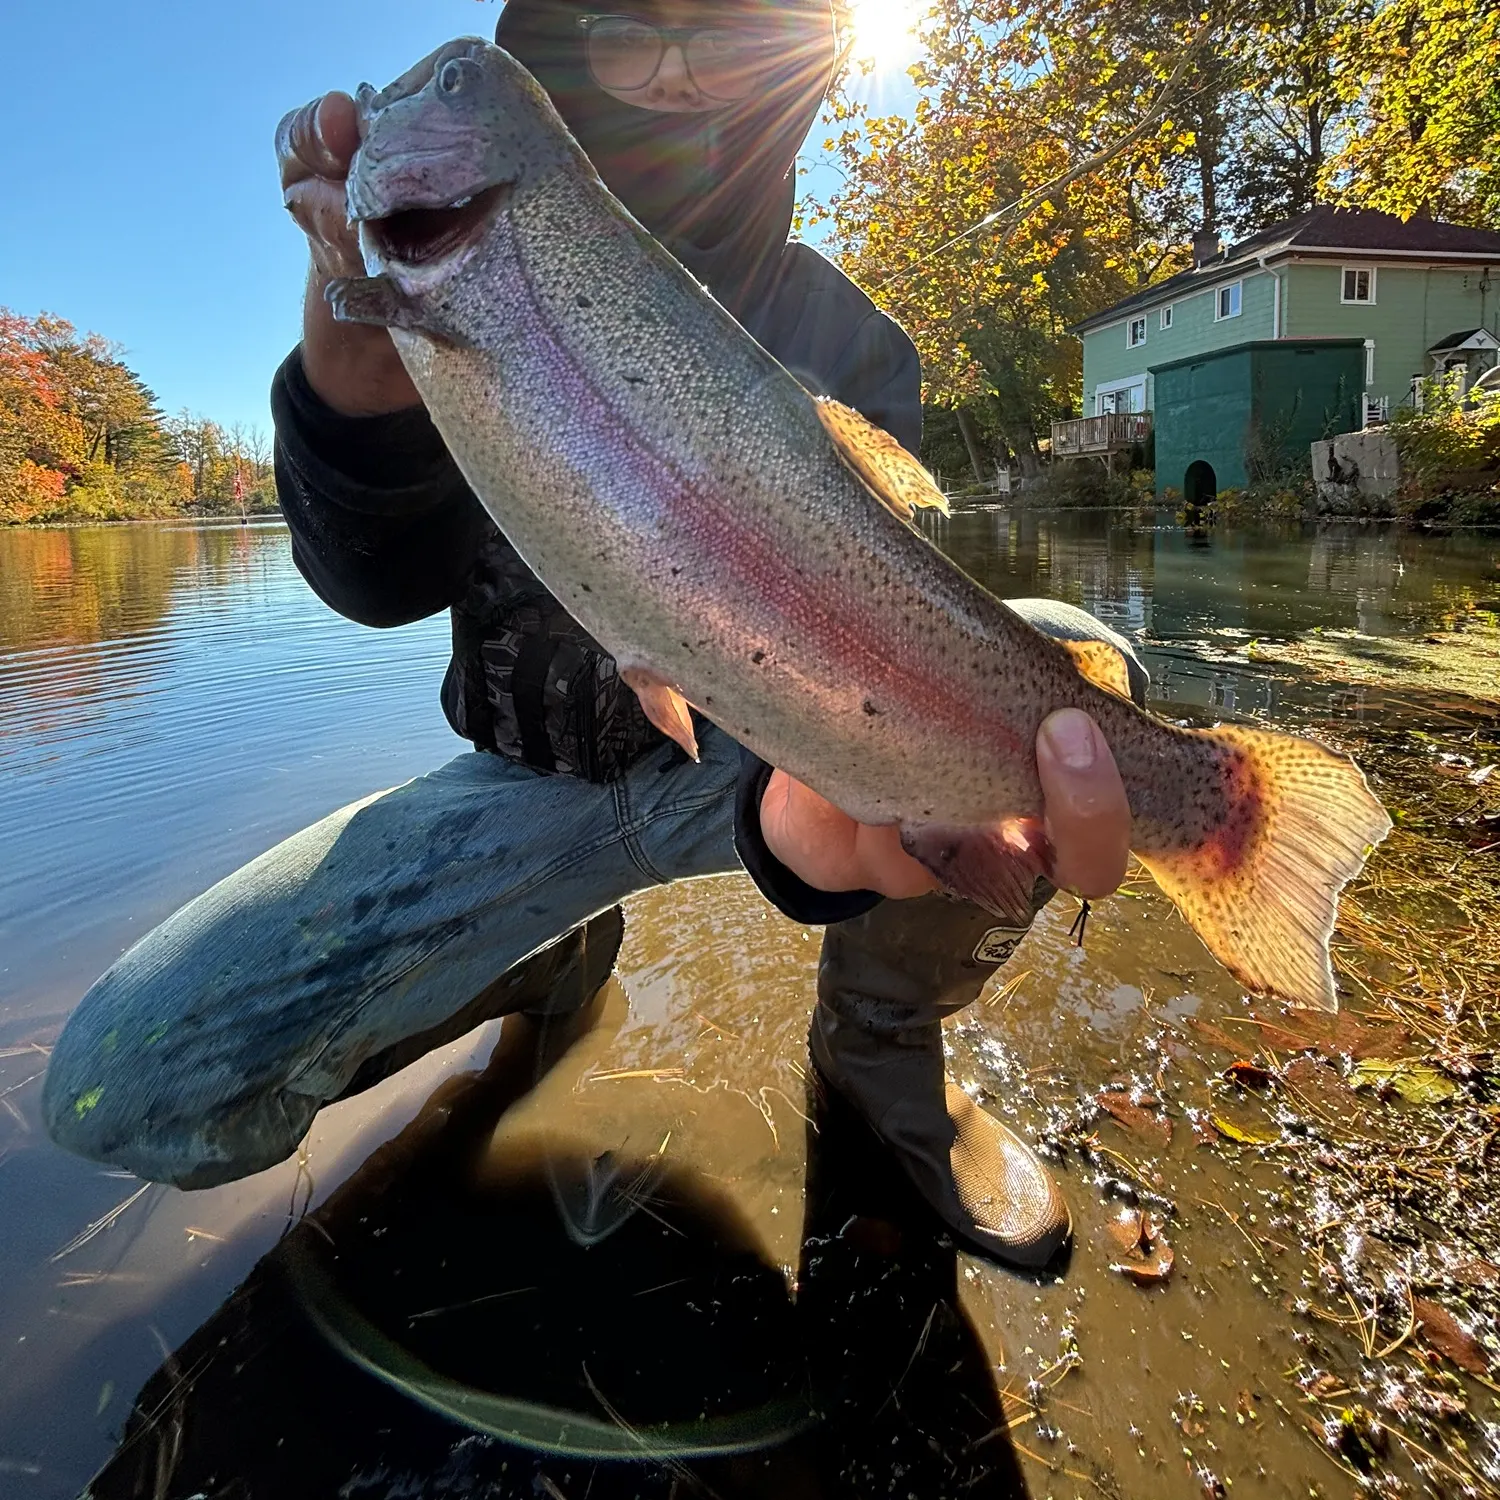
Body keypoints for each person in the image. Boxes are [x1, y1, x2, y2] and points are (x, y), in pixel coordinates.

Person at [41, 0, 1138, 1269]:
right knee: (123, 1087)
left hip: (767, 762)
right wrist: (350, 345)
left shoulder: (851, 338)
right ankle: (530, 958)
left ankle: (883, 1047)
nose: (674, 72)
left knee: (1066, 679)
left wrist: (813, 814)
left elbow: (892, 650)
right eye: (629, 23)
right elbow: (374, 590)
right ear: (564, 49)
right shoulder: (466, 275)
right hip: (520, 786)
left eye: (720, 31)